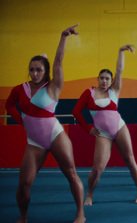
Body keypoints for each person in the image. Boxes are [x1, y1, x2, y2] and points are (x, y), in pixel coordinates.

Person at [5, 24, 85, 223]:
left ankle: (80, 214)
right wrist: (22, 121)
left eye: (38, 69)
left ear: (46, 70)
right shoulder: (18, 89)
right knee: (24, 184)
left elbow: (58, 60)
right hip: (35, 142)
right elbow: (9, 106)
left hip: (55, 135)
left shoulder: (54, 86)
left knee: (71, 174)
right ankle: (23, 217)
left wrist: (63, 36)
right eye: (31, 70)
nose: (34, 73)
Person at [72, 44, 137, 205]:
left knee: (130, 160)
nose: (104, 81)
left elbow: (119, 71)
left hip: (119, 128)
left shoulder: (114, 90)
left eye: (107, 78)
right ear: (97, 79)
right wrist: (87, 128)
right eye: (101, 78)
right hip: (102, 133)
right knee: (97, 168)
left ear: (111, 80)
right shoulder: (89, 93)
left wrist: (121, 51)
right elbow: (76, 112)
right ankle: (90, 195)